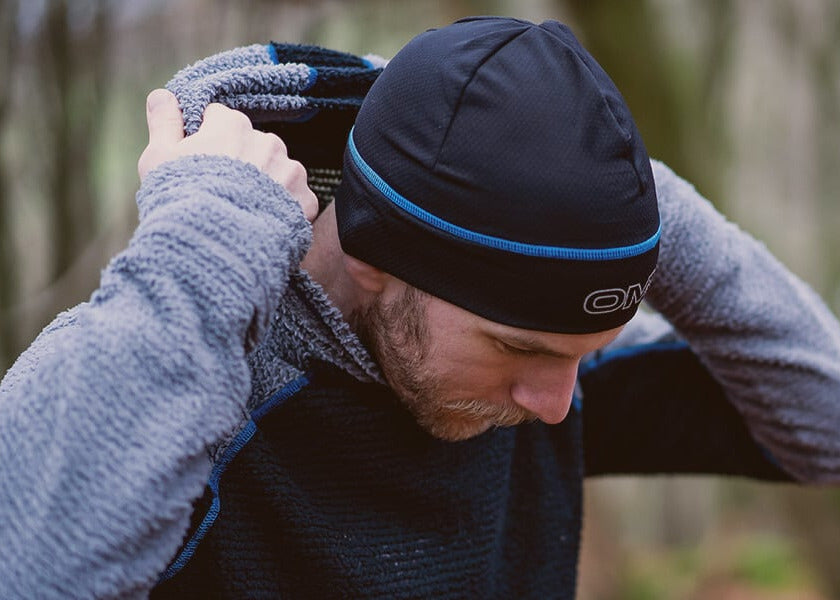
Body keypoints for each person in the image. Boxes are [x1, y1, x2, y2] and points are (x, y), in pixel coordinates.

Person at [0, 16, 838, 599]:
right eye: (519, 348)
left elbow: (824, 424)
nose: (556, 404)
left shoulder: (537, 378)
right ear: (375, 258)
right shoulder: (171, 372)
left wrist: (648, 208)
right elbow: (36, 569)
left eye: (583, 351)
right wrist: (206, 244)